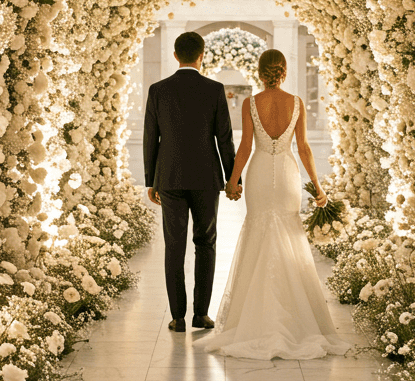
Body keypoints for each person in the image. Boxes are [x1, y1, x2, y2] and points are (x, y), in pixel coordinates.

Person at [199, 48, 351, 359]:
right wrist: (318, 187)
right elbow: (304, 147)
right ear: (283, 71)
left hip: (258, 173)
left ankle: (253, 318)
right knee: (288, 235)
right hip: (286, 174)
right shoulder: (296, 103)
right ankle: (296, 319)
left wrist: (232, 181)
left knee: (259, 232)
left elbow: (245, 146)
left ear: (260, 72)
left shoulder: (250, 103)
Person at [143, 31, 236, 333]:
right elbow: (224, 138)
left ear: (175, 56)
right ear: (201, 55)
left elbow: (150, 138)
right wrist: (232, 178)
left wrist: (151, 180)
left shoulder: (158, 90)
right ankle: (201, 314)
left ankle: (177, 317)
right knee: (206, 243)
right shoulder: (214, 89)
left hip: (169, 177)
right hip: (206, 178)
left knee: (174, 246)